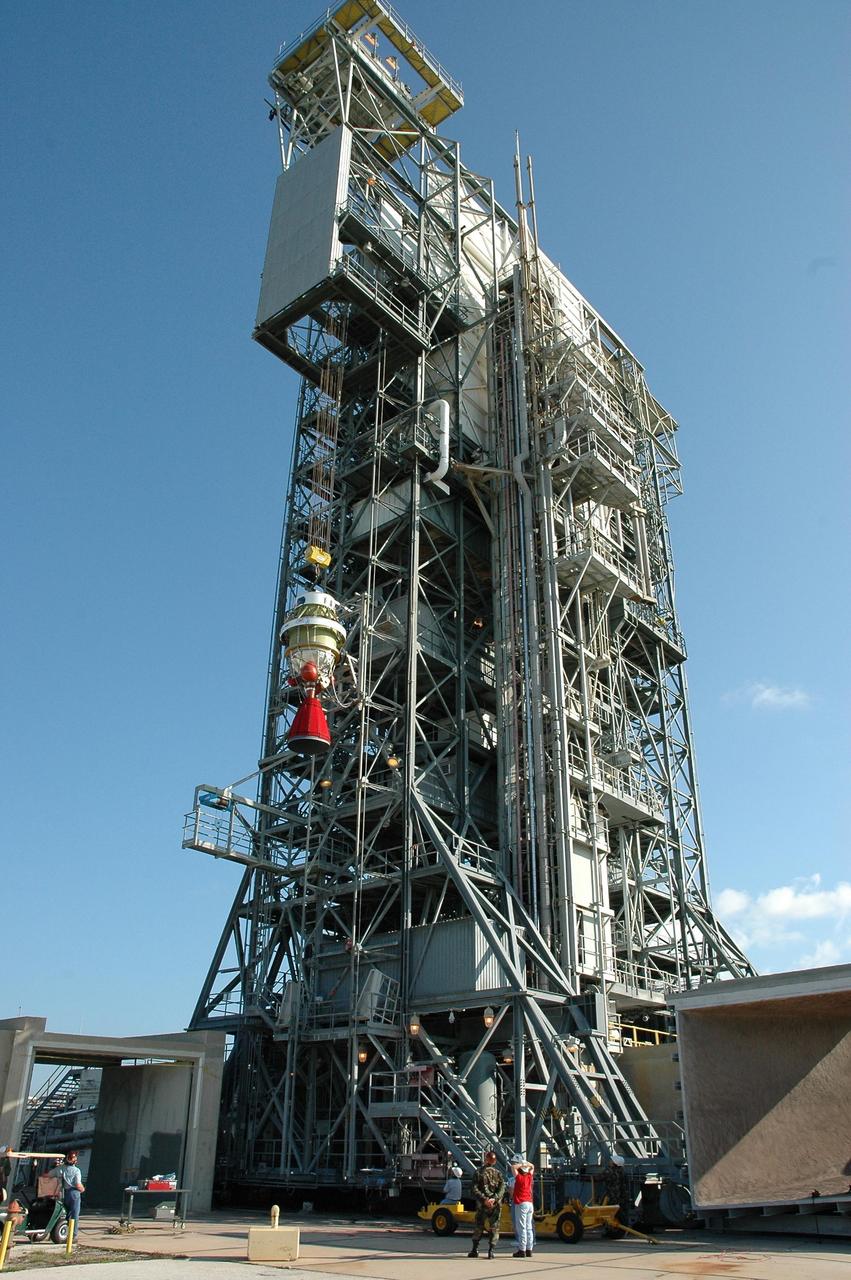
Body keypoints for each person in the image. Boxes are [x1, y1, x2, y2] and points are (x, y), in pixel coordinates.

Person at [468, 1150, 505, 1259]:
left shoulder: (478, 1172)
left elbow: (474, 1188)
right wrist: (494, 1199)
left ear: (486, 1159)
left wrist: (484, 1199)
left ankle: (475, 1250)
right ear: (495, 1161)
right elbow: (502, 1188)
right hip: (495, 1205)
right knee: (494, 1227)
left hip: (482, 1204)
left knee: (479, 1226)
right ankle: (491, 1251)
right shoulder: (498, 1173)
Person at [48, 1150, 85, 1232]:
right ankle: (73, 1234)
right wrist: (83, 1189)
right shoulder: (76, 1171)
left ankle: (63, 1230)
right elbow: (78, 1184)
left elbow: (48, 1175)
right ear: (75, 1160)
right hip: (74, 1194)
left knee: (65, 1213)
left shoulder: (60, 1169)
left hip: (62, 1193)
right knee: (74, 1214)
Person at [509, 1155, 535, 1258]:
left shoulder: (519, 1177)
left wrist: (520, 1164)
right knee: (529, 1227)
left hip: (521, 1203)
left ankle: (522, 1249)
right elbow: (532, 1166)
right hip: (529, 1203)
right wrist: (526, 1164)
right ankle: (529, 1249)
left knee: (521, 1227)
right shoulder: (529, 1177)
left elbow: (513, 1168)